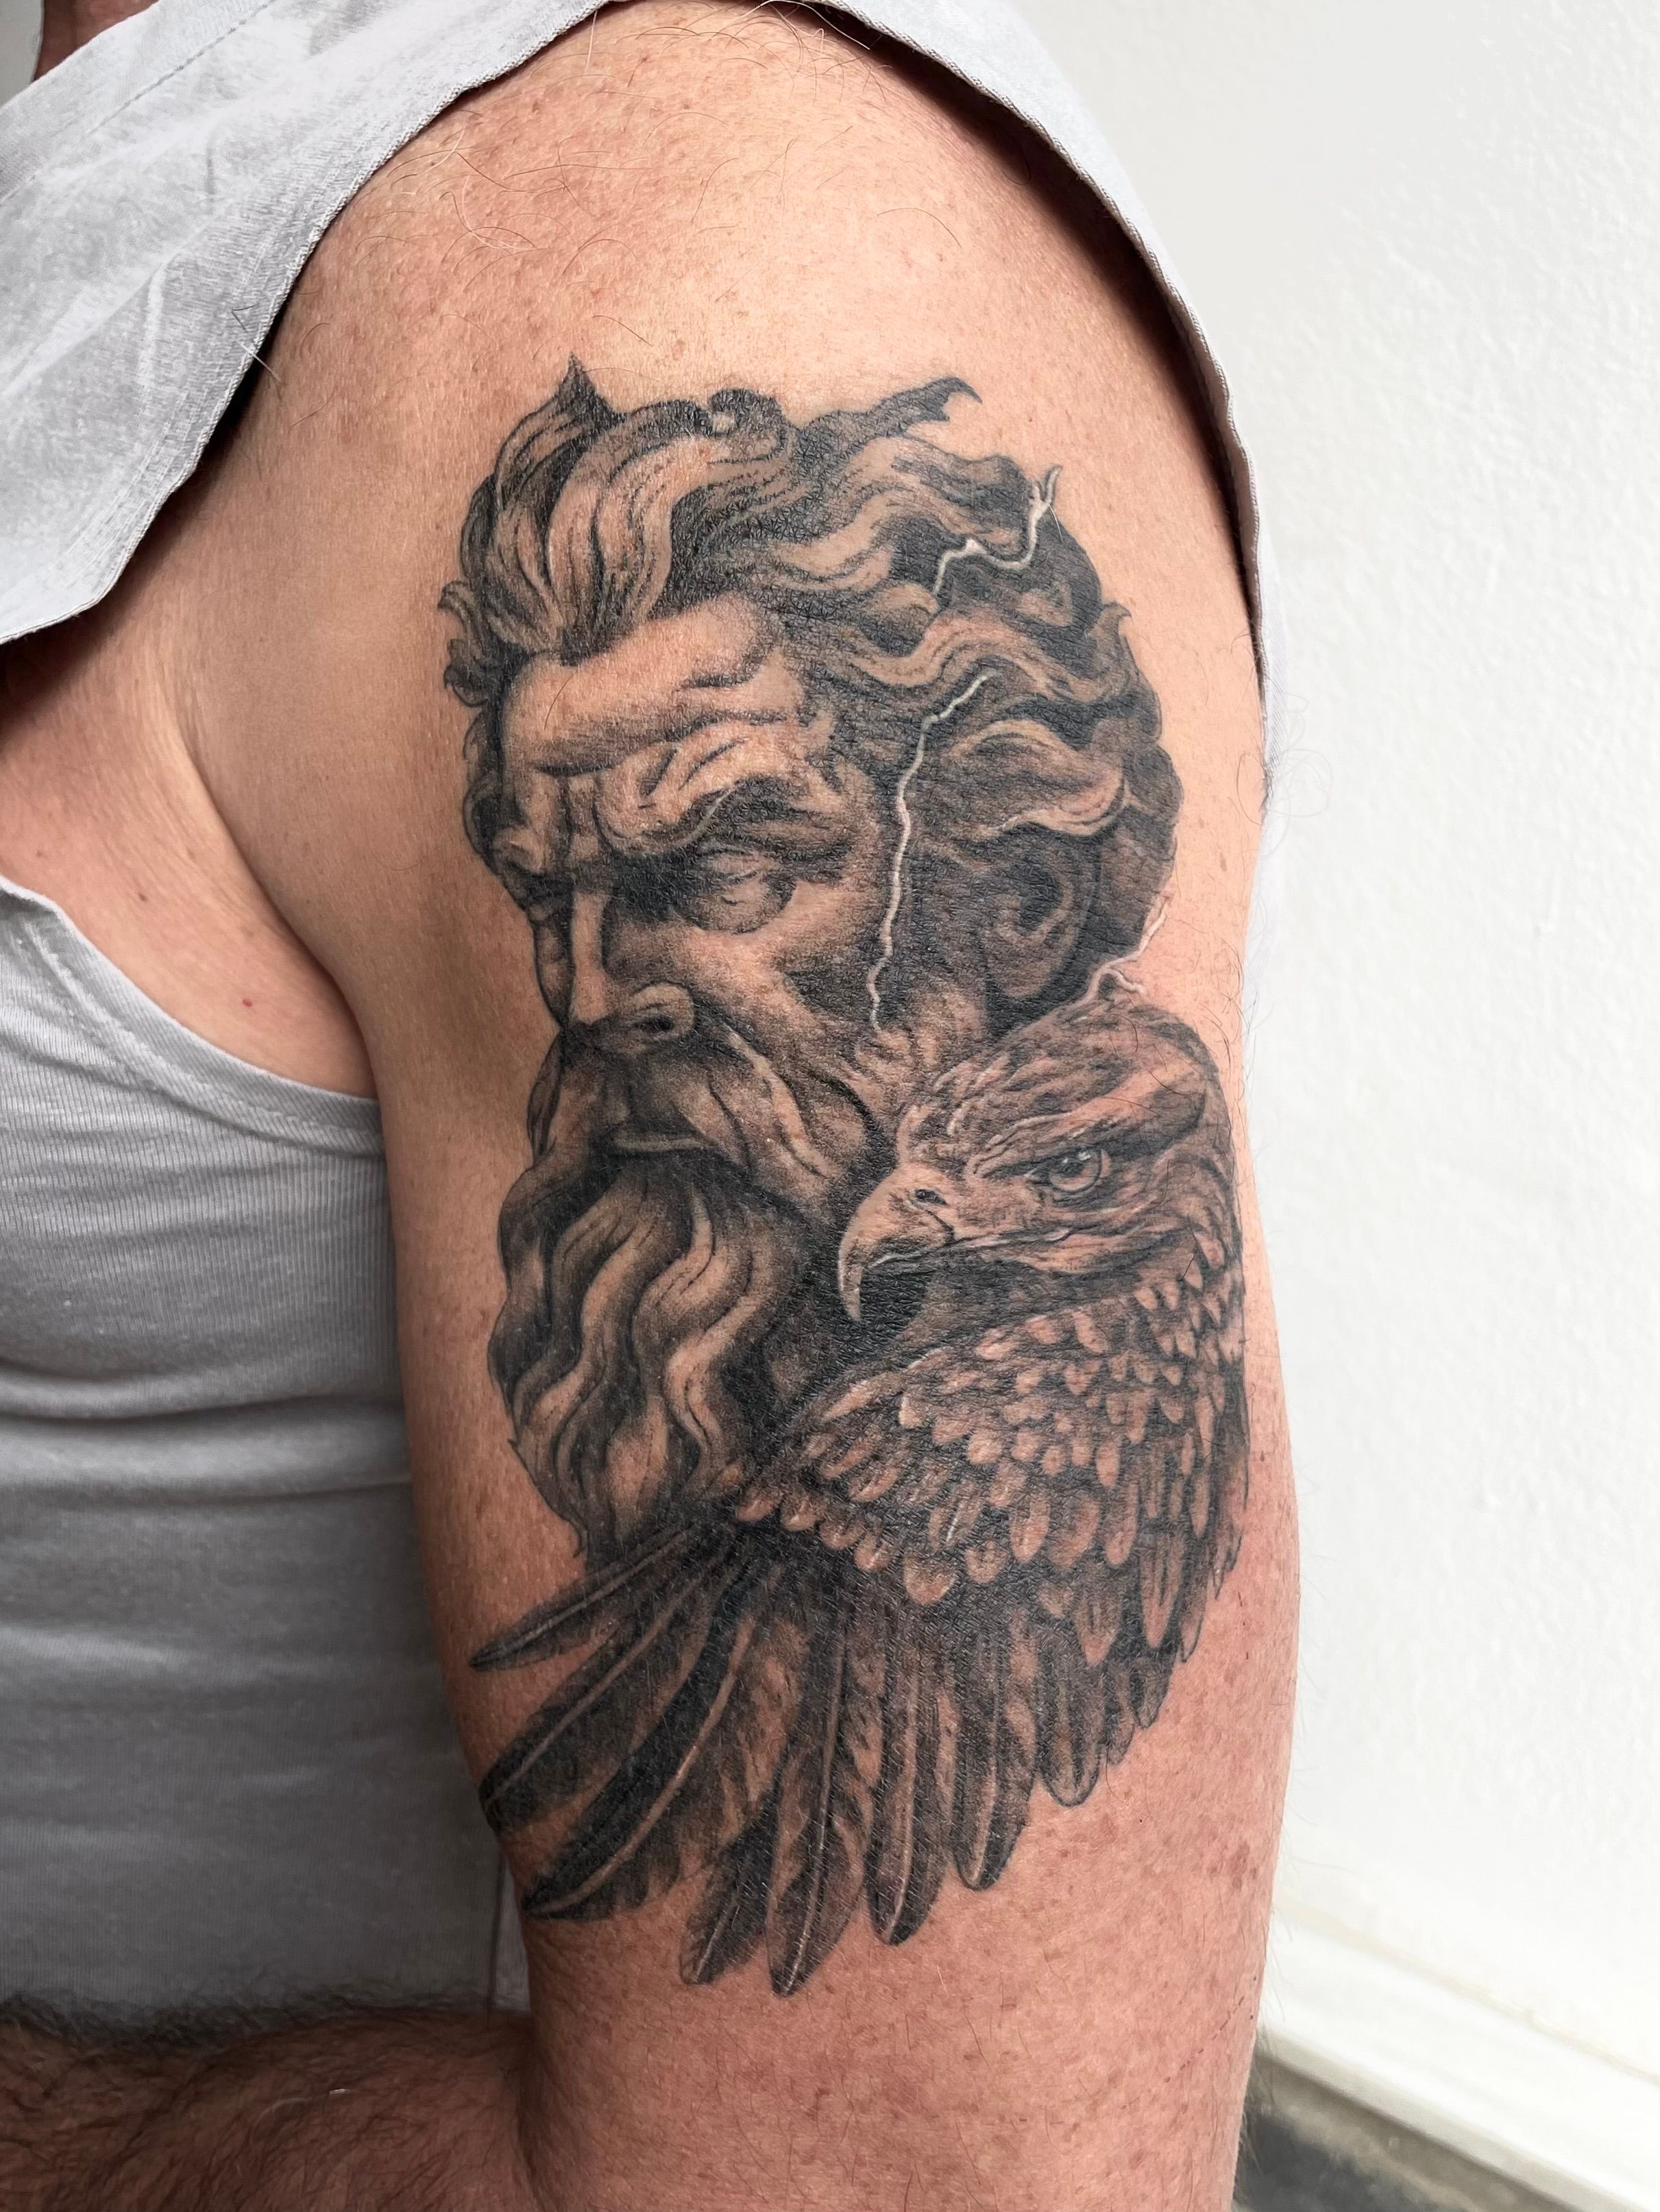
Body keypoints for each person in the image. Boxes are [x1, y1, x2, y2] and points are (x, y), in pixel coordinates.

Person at [0, 1, 1296, 2204]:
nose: (595, 993)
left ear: (987, 882)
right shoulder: (167, 165)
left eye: (714, 867)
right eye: (550, 890)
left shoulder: (703, 217)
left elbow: (917, 2188)